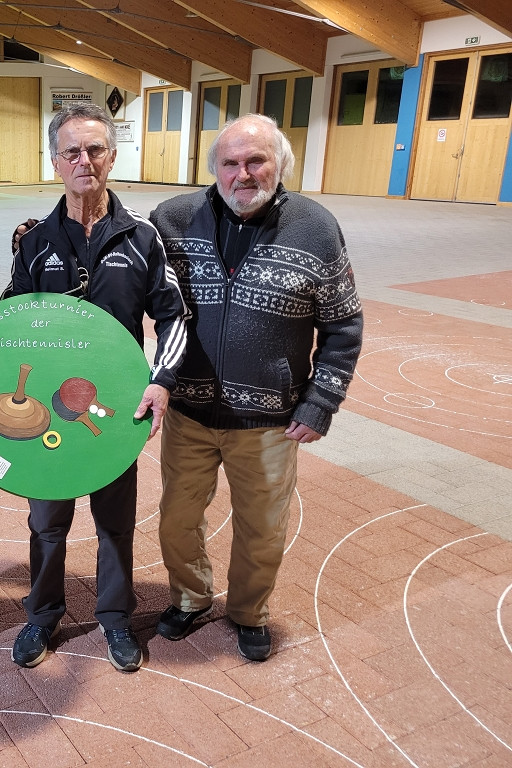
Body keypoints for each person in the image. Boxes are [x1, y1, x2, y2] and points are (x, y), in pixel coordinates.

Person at [150, 113, 363, 661]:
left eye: (255, 161)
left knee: (263, 528)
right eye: (230, 162)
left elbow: (343, 326)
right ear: (214, 168)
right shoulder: (172, 220)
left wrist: (320, 404)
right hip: (189, 413)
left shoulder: (316, 228)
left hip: (270, 423)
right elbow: (131, 287)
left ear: (280, 164)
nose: (242, 174)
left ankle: (248, 611)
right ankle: (190, 598)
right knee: (176, 520)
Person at [1, 103, 189, 673]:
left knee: (115, 522)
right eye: (72, 152)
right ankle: (42, 615)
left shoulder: (143, 238)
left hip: (115, 410)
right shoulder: (35, 243)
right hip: (47, 411)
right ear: (55, 161)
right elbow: (6, 325)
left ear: (111, 157)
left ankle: (115, 620)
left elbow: (173, 316)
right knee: (46, 522)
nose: (84, 160)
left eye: (95, 150)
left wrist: (161, 381)